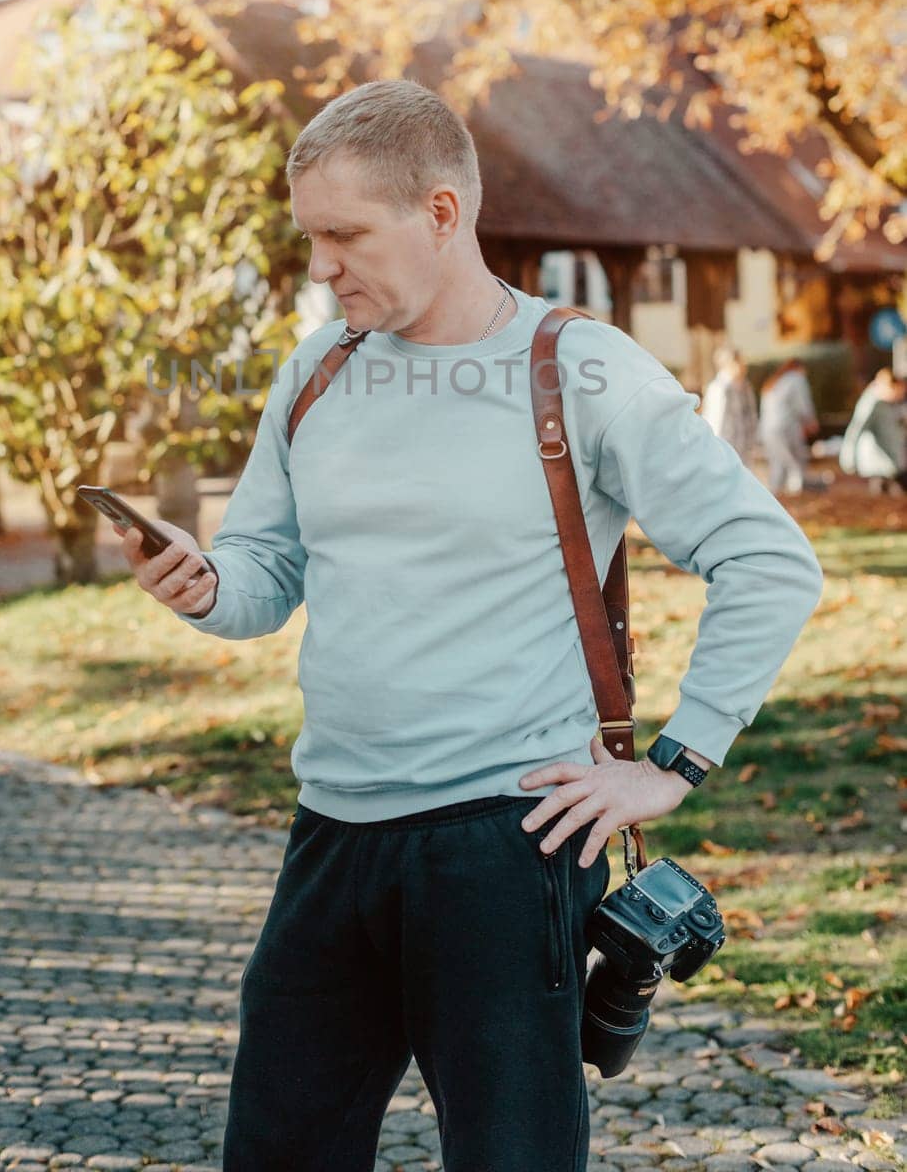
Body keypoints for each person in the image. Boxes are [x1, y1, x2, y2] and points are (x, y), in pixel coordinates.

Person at [118, 81, 824, 1172]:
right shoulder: (317, 370)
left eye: (344, 234)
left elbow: (769, 559)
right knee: (277, 1153)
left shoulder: (578, 369)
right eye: (310, 237)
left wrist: (678, 763)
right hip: (332, 835)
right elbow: (267, 569)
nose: (320, 266)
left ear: (442, 213)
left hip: (507, 845)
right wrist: (207, 585)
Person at [758, 357, 819, 495]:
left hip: (767, 429)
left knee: (777, 462)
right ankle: (796, 494)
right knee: (795, 462)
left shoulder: (774, 382)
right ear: (799, 368)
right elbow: (803, 403)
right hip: (784, 427)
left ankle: (775, 494)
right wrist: (810, 421)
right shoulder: (797, 379)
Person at [840, 368, 907, 492]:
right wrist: (848, 459)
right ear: (890, 387)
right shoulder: (872, 403)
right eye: (899, 392)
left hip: (894, 464)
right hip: (878, 465)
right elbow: (856, 429)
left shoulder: (893, 404)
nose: (901, 396)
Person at [701, 344, 758, 465]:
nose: (744, 365)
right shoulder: (719, 388)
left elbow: (751, 415)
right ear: (728, 364)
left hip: (743, 447)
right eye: (740, 361)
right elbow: (716, 422)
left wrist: (753, 441)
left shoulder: (745, 386)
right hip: (726, 448)